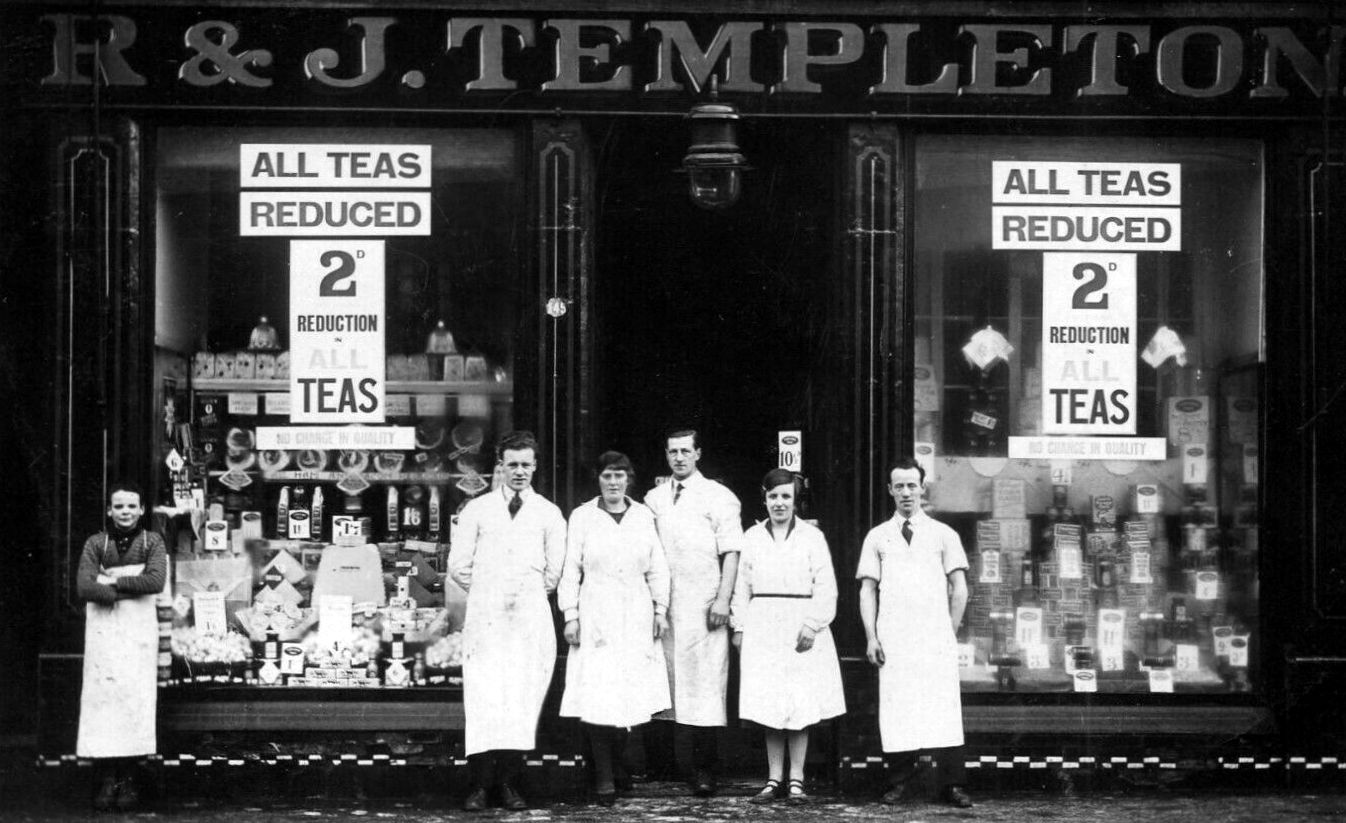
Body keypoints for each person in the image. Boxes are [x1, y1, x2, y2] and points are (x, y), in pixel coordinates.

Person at [448, 431, 567, 812]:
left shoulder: (548, 513)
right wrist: (492, 589)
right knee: (484, 699)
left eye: (525, 465)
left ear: (535, 467)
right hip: (487, 619)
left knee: (520, 698)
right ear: (500, 465)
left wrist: (524, 592)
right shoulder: (477, 510)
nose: (519, 472)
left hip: (529, 619)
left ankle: (511, 784)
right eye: (512, 464)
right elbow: (458, 567)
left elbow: (554, 572)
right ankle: (480, 786)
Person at [857, 458, 974, 808]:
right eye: (900, 486)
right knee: (898, 707)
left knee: (944, 707)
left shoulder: (943, 534)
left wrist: (947, 631)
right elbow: (867, 590)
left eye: (912, 485)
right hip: (894, 638)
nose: (906, 492)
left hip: (934, 637)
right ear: (890, 490)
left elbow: (960, 588)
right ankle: (900, 783)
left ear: (922, 488)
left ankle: (952, 785)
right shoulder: (878, 536)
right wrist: (871, 637)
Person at [558, 451, 671, 806]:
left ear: (629, 480)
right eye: (607, 475)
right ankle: (604, 775)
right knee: (598, 695)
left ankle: (619, 766)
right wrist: (571, 615)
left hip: (636, 613)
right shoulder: (582, 517)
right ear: (599, 480)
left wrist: (660, 609)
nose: (613, 482)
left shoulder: (643, 516)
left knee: (630, 696)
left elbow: (658, 567)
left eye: (619, 476)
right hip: (596, 614)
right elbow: (570, 570)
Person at [730, 468, 846, 805]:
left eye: (785, 497)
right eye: (773, 497)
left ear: (795, 501)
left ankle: (797, 778)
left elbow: (826, 586)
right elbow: (742, 586)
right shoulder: (752, 537)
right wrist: (739, 627)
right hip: (763, 624)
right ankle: (773, 778)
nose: (779, 503)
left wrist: (813, 624)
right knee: (770, 702)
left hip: (800, 625)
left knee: (799, 701)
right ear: (764, 499)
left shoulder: (812, 537)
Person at [644, 428, 742, 796]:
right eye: (673, 452)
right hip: (665, 605)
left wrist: (723, 600)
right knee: (663, 682)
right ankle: (662, 766)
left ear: (698, 453)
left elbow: (732, 552)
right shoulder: (653, 499)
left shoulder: (720, 497)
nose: (679, 458)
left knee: (704, 686)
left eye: (686, 451)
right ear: (666, 455)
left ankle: (704, 770)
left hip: (704, 606)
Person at [75, 481, 168, 812]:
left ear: (142, 510)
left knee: (133, 700)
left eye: (132, 506)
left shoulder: (152, 541)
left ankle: (128, 779)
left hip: (138, 634)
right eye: (119, 506)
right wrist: (125, 589)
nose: (125, 512)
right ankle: (106, 778)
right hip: (103, 636)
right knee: (104, 702)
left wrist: (110, 582)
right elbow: (84, 586)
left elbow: (155, 581)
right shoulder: (95, 543)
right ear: (109, 511)